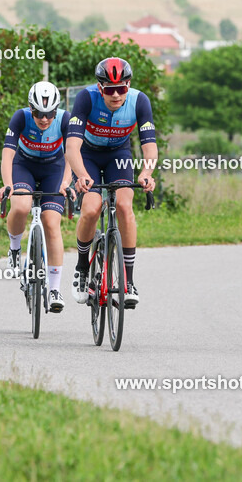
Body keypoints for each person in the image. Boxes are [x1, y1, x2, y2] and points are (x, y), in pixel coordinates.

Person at [65, 57, 157, 308]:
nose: (116, 95)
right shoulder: (86, 98)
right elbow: (72, 146)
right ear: (99, 87)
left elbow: (149, 147)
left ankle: (128, 281)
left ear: (128, 86)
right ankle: (82, 268)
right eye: (110, 89)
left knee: (126, 207)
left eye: (122, 88)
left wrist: (147, 172)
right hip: (88, 156)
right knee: (92, 208)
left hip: (119, 155)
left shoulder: (140, 101)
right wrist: (81, 174)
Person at [0, 81, 73, 313]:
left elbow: (72, 153)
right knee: (20, 206)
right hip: (25, 166)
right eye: (39, 114)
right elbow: (8, 154)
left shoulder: (64, 119)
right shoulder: (20, 118)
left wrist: (66, 183)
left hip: (54, 168)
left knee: (52, 223)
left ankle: (54, 289)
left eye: (49, 113)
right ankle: (13, 249)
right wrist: (8, 184)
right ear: (31, 109)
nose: (44, 119)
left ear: (56, 110)